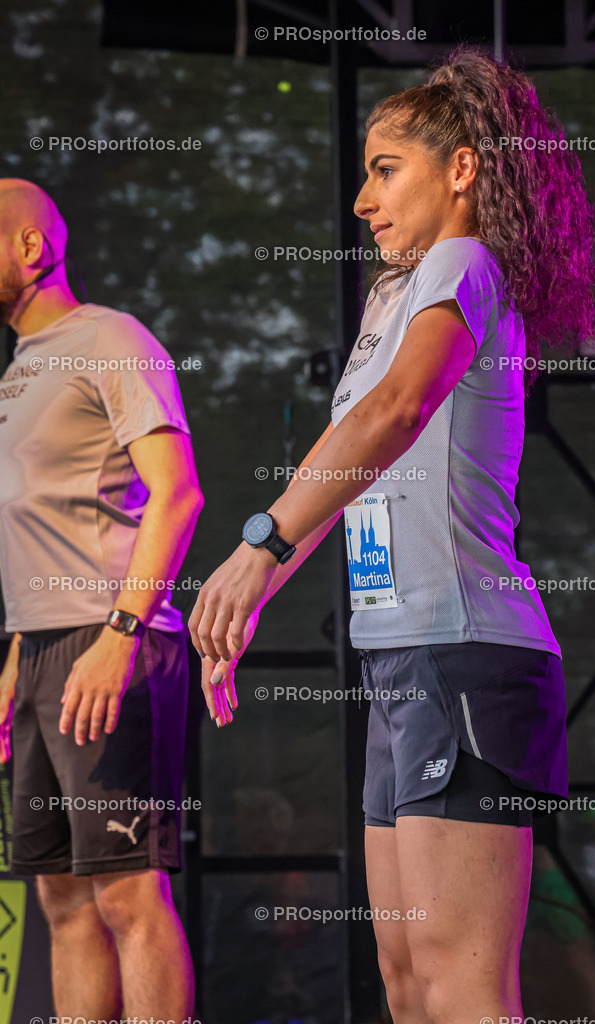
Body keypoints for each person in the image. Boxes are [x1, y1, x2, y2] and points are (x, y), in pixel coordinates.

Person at [189, 45, 595, 1024]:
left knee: (461, 994)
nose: (361, 202)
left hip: (468, 651)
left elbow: (395, 413)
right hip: (397, 656)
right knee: (409, 985)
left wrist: (256, 550)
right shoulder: (391, 294)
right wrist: (257, 578)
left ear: (461, 168)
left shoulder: (462, 264)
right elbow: (351, 458)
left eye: (383, 169)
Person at [0, 179, 202, 1021]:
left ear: (30, 248)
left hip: (114, 639)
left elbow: (178, 492)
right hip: (43, 648)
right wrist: (15, 664)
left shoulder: (110, 338)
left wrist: (120, 633)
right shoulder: (19, 368)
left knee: (126, 897)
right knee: (62, 902)